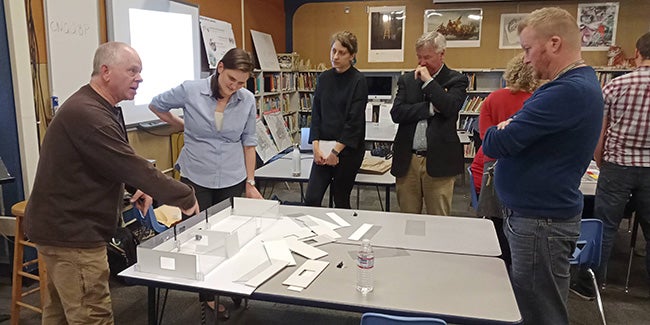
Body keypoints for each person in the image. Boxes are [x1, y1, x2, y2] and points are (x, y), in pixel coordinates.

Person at [24, 42, 199, 325]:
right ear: (105, 71)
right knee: (92, 314)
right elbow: (131, 164)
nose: (139, 78)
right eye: (132, 70)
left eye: (140, 71)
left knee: (60, 314)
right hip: (73, 235)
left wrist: (133, 188)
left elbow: (108, 162)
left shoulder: (101, 107)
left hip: (61, 229)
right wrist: (185, 196)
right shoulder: (89, 114)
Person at [482, 8, 604, 324]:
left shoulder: (564, 91)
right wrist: (509, 126)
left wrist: (505, 126)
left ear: (553, 43)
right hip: (539, 218)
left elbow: (495, 143)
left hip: (539, 222)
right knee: (535, 304)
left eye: (526, 48)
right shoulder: (580, 82)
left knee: (539, 311)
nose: (524, 59)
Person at [149, 47, 261, 318]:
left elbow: (249, 143)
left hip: (232, 174)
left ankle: (230, 282)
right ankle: (208, 294)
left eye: (241, 82)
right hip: (196, 173)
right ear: (219, 67)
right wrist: (180, 124)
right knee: (200, 235)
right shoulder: (191, 90)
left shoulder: (246, 100)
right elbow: (156, 104)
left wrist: (250, 181)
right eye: (231, 79)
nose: (234, 87)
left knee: (229, 233)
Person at [572, 32, 650, 300]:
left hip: (617, 165)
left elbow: (600, 133)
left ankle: (588, 285)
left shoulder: (615, 86)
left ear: (637, 53)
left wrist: (600, 162)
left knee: (604, 226)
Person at [390, 31, 468, 215]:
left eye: (427, 57)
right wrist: (430, 108)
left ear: (442, 54)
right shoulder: (407, 80)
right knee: (408, 219)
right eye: (419, 57)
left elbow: (449, 107)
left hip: (439, 160)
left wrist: (429, 81)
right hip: (408, 160)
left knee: (438, 219)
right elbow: (397, 113)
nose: (422, 63)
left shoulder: (457, 79)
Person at [305, 31, 368, 208]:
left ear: (352, 56)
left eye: (342, 53)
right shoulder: (323, 78)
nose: (335, 56)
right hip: (323, 148)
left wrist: (335, 152)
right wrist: (315, 146)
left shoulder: (358, 81)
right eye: (333, 51)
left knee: (340, 200)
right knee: (312, 198)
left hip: (347, 151)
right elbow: (316, 114)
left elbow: (354, 122)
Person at [470, 52, 544, 195]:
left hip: (490, 169)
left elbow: (485, 137)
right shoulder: (537, 101)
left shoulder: (492, 98)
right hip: (524, 170)